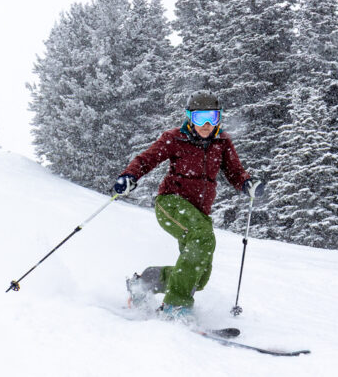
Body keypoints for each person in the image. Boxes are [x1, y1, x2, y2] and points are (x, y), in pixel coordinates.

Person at [113, 90, 264, 321]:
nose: (205, 125)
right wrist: (129, 176)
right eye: (199, 118)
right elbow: (147, 159)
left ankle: (143, 283)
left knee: (199, 277)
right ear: (189, 118)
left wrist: (247, 184)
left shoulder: (222, 142)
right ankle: (175, 306)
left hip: (199, 214)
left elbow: (234, 172)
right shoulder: (175, 138)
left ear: (219, 118)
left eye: (211, 118)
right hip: (171, 203)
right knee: (203, 237)